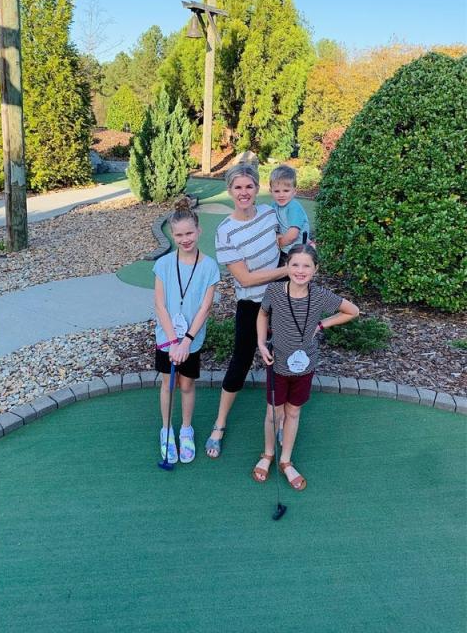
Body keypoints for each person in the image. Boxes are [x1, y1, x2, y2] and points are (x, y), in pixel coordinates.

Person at [251, 244, 359, 489]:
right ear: (287, 266)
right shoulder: (275, 291)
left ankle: (286, 460)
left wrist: (321, 325)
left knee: (293, 412)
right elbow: (262, 314)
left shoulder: (320, 295)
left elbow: (352, 311)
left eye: (306, 266)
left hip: (305, 366)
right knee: (273, 413)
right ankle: (268, 454)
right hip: (277, 362)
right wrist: (261, 342)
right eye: (295, 264)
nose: (300, 270)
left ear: (315, 269)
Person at [205, 163, 290, 458]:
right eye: (238, 187)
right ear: (229, 190)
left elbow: (282, 241)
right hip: (251, 305)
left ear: (257, 189)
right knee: (240, 363)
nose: (244, 192)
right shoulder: (225, 232)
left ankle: (280, 422)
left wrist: (300, 249)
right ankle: (219, 424)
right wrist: (283, 271)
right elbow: (244, 278)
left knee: (283, 361)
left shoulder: (269, 214)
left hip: (282, 300)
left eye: (249, 186)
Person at [153, 197, 220, 464]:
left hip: (191, 339)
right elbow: (159, 304)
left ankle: (186, 429)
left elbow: (205, 308)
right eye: (179, 235)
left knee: (187, 384)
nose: (185, 239)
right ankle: (166, 429)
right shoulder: (164, 264)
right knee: (168, 383)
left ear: (199, 231)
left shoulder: (209, 267)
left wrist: (186, 341)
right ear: (172, 234)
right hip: (167, 338)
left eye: (189, 233)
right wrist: (172, 341)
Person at [269, 164, 311, 265]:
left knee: (293, 274)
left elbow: (293, 234)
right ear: (271, 192)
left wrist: (278, 244)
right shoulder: (275, 206)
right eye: (277, 191)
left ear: (294, 191)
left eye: (286, 191)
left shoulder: (293, 207)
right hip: (286, 248)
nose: (281, 195)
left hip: (297, 251)